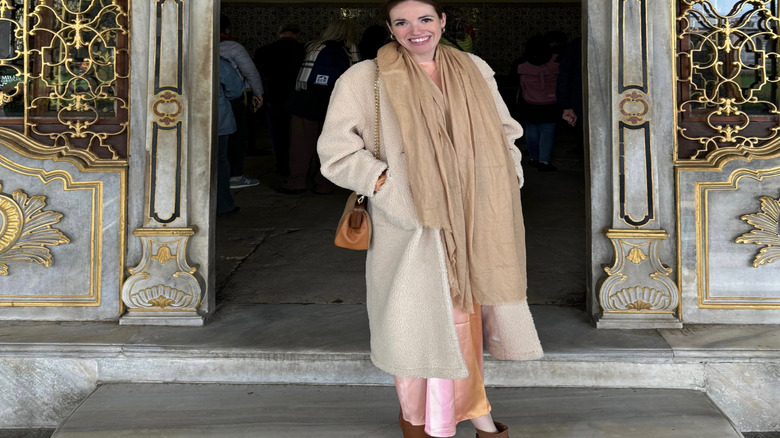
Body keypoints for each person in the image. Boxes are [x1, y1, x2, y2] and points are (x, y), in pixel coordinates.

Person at [317, 1, 543, 437]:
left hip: (477, 217)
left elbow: (505, 130)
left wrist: (507, 173)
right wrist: (388, 186)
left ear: (442, 22)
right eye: (401, 22)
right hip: (412, 224)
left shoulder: (474, 68)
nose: (414, 30)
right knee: (424, 327)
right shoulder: (365, 78)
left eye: (424, 19)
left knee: (465, 319)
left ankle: (464, 415)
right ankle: (434, 421)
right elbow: (336, 152)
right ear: (390, 28)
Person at [279, 19, 360, 194]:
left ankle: (297, 182)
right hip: (334, 105)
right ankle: (324, 183)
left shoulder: (311, 48)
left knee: (301, 144)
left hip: (304, 103)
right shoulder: (350, 52)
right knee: (328, 146)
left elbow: (291, 73)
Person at [254, 23, 306, 176]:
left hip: (274, 97)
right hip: (299, 98)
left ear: (279, 33)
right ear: (297, 34)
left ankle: (282, 166)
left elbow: (257, 76)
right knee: (300, 134)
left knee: (278, 134)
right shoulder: (304, 50)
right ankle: (299, 167)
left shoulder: (263, 50)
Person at [220, 15, 264, 189]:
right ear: (227, 29)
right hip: (232, 98)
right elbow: (250, 72)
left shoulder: (197, 43)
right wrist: (258, 94)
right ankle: (235, 176)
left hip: (204, 98)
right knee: (237, 136)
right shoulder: (232, 47)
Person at [517, 35, 561, 171]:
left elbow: (513, 81)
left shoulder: (521, 63)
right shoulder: (557, 62)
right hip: (551, 104)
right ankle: (544, 162)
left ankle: (533, 158)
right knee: (547, 132)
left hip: (529, 103)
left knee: (531, 132)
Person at [217, 56, 245, 216]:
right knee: (219, 162)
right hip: (217, 120)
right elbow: (235, 89)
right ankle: (223, 205)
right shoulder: (218, 62)